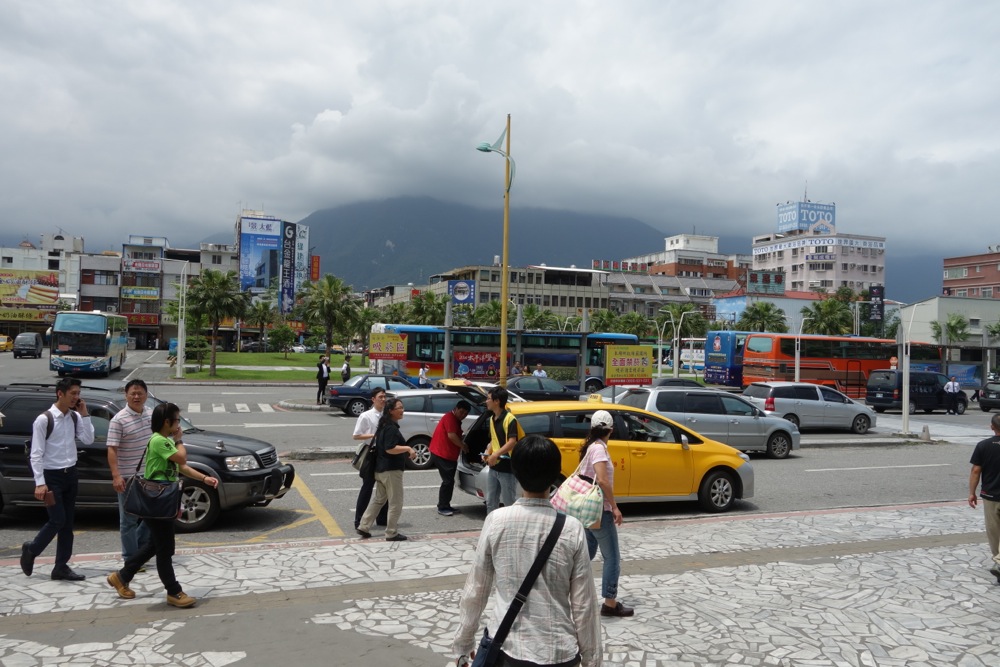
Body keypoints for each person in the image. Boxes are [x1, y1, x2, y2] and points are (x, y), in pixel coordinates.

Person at [453, 435, 601, 667]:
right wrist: (591, 660)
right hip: (558, 653)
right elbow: (584, 604)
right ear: (556, 474)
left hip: (505, 649)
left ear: (516, 472)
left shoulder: (496, 521)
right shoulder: (572, 529)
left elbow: (476, 589)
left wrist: (463, 644)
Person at [106, 402, 219, 607]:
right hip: (157, 500)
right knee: (165, 549)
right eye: (177, 420)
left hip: (161, 500)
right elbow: (181, 457)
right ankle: (174, 592)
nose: (179, 424)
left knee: (154, 545)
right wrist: (179, 440)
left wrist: (204, 479)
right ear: (167, 422)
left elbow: (181, 467)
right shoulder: (160, 440)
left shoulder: (164, 440)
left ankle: (122, 576)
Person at [21, 378, 96, 581]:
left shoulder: (75, 417)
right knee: (57, 519)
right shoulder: (44, 420)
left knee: (67, 524)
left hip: (70, 474)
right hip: (51, 476)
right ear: (60, 394)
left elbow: (88, 439)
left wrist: (85, 414)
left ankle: (61, 567)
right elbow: (36, 454)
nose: (76, 397)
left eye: (78, 393)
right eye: (73, 393)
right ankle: (32, 549)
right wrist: (40, 483)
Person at [579, 410, 634, 617]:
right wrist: (615, 507)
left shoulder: (590, 447)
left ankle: (572, 593)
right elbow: (602, 481)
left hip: (587, 511)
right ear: (610, 429)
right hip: (600, 512)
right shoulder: (599, 449)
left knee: (586, 555)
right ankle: (610, 603)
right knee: (612, 558)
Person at [356, 397, 417, 541]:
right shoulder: (390, 428)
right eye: (399, 408)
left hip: (381, 469)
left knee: (378, 500)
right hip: (391, 471)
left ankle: (363, 526)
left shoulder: (384, 425)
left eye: (402, 407)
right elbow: (390, 448)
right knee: (396, 502)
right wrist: (408, 448)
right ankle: (391, 532)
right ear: (391, 411)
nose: (402, 410)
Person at [107, 379, 152, 564]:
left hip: (149, 476)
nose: (136, 396)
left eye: (140, 393)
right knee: (128, 520)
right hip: (128, 477)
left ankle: (138, 552)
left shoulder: (151, 414)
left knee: (152, 516)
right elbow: (112, 449)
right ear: (126, 395)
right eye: (132, 393)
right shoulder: (119, 420)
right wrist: (116, 476)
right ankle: (131, 559)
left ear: (146, 395)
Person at [969, 413, 1000, 584]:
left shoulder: (983, 446)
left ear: (992, 427)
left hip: (990, 496)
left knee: (994, 532)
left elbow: (975, 471)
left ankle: (998, 561)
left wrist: (971, 492)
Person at [353, 387, 389, 529]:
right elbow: (356, 435)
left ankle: (382, 518)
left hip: (384, 454)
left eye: (384, 397)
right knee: (367, 487)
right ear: (373, 399)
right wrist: (374, 435)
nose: (383, 399)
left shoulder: (387, 415)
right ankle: (359, 520)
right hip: (371, 453)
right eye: (380, 397)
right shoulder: (366, 416)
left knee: (384, 487)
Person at [430, 400, 471, 516]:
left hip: (447, 454)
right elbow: (452, 435)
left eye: (465, 414)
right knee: (447, 481)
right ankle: (442, 507)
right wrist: (462, 446)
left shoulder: (455, 419)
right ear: (456, 409)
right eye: (461, 412)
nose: (463, 415)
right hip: (442, 454)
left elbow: (456, 435)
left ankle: (446, 505)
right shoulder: (450, 418)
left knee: (449, 481)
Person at [485, 386, 519, 515]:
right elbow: (493, 440)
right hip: (494, 467)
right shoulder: (492, 419)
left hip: (507, 468)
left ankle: (510, 525)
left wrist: (495, 454)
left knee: (509, 502)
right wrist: (487, 452)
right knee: (490, 501)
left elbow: (512, 442)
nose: (486, 401)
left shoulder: (510, 419)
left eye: (488, 398)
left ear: (497, 401)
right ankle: (491, 524)